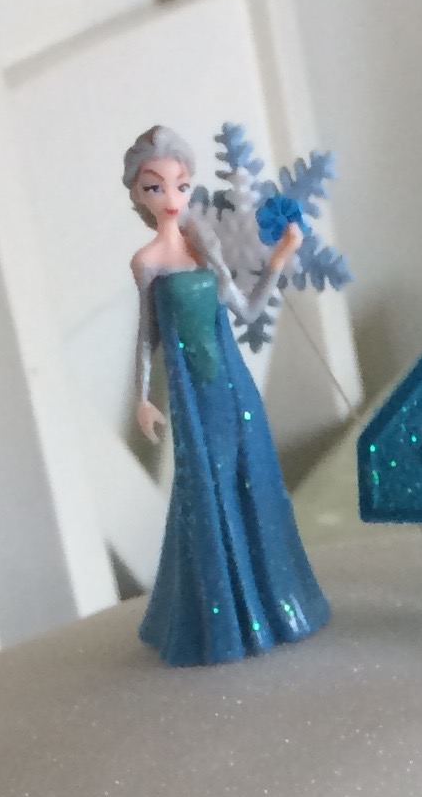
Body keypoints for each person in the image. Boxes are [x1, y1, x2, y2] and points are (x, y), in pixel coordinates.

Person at [125, 123, 330, 667]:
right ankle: (217, 617)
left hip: (233, 385)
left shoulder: (205, 250)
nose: (171, 197)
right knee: (206, 488)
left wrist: (281, 256)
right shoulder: (147, 263)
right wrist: (143, 397)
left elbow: (249, 309)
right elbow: (146, 336)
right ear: (138, 194)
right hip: (193, 396)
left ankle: (271, 604)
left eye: (180, 184)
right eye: (155, 187)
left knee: (251, 476)